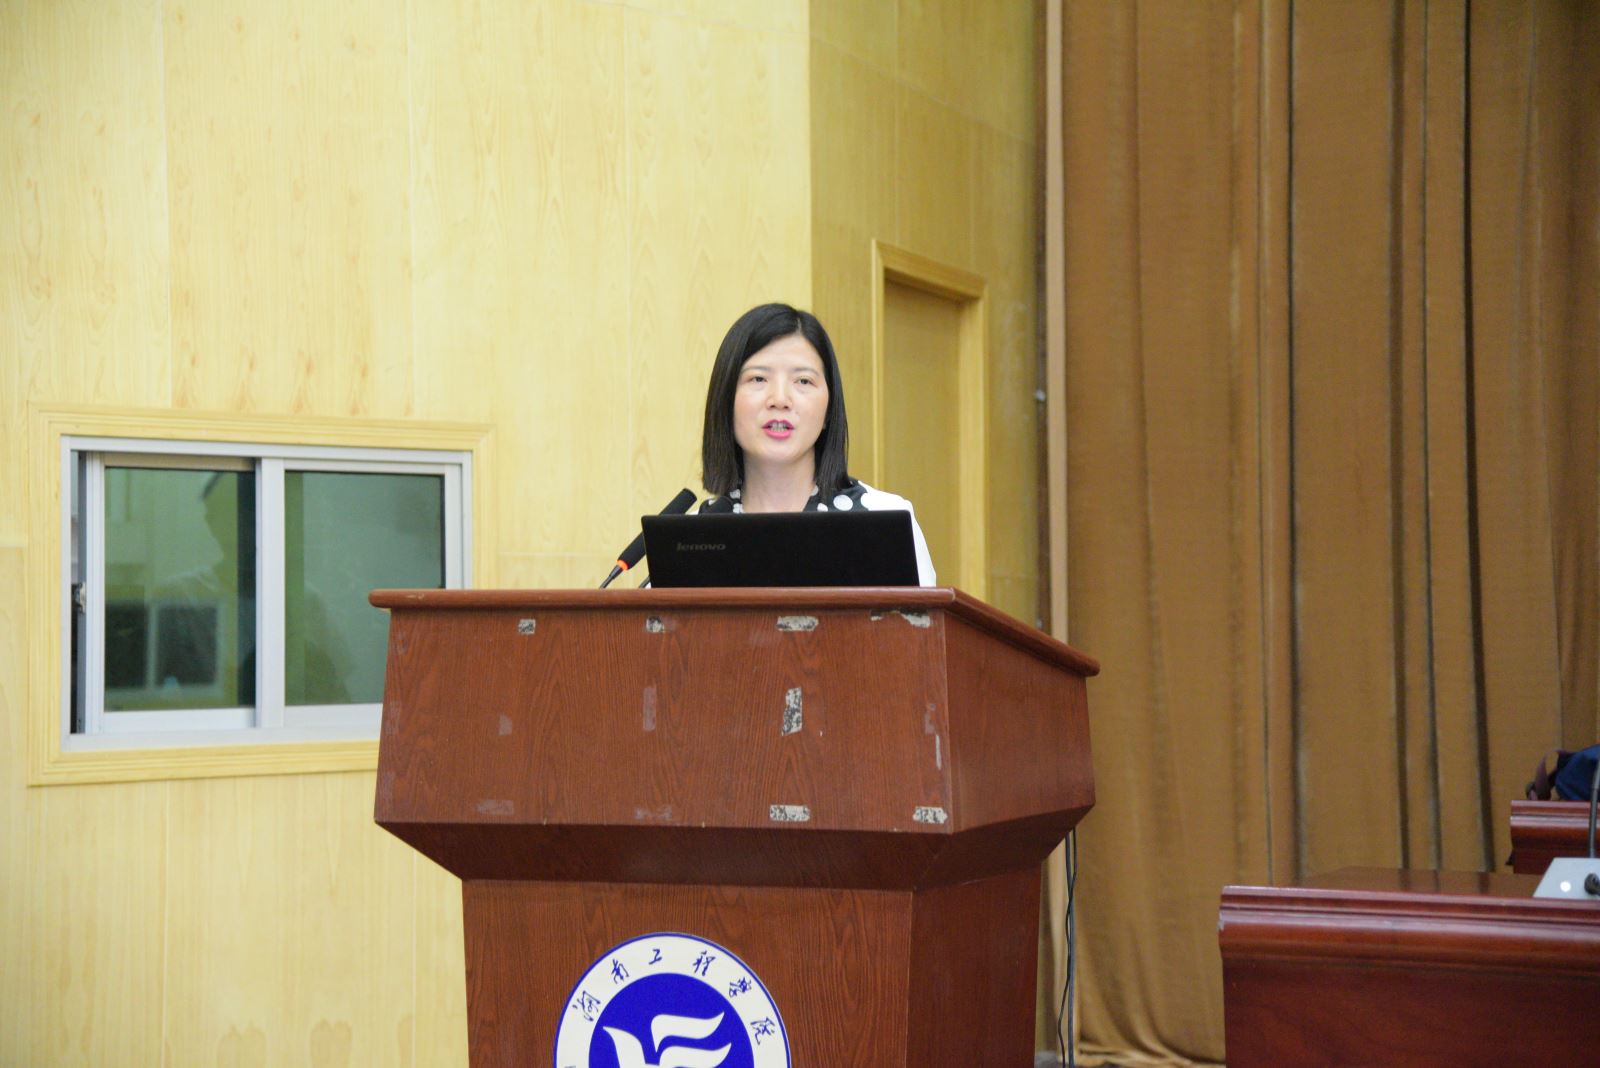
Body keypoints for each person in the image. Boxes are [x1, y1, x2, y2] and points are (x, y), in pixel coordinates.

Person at [697, 302, 937, 586]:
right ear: (725, 401)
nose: (780, 399)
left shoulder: (885, 519)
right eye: (758, 378)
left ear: (829, 409)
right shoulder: (694, 535)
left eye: (803, 381)